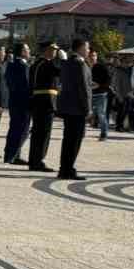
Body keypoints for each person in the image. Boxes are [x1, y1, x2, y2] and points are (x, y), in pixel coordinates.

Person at [56, 39, 93, 180]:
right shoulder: (80, 63)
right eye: (87, 47)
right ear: (81, 47)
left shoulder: (67, 63)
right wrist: (88, 108)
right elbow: (84, 88)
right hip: (77, 108)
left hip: (68, 107)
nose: (89, 50)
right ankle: (68, 169)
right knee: (75, 140)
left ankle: (64, 168)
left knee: (68, 140)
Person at [26, 40, 60, 172]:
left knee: (38, 133)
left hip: (40, 101)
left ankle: (34, 160)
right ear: (47, 50)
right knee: (43, 133)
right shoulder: (45, 64)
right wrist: (63, 59)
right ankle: (37, 161)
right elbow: (60, 71)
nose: (56, 52)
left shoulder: (38, 64)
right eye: (54, 50)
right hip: (45, 102)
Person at [2, 43, 31, 164]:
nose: (29, 51)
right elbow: (26, 85)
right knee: (22, 129)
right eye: (27, 49)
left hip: (14, 101)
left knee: (14, 128)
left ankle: (11, 154)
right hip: (23, 102)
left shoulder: (11, 64)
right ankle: (12, 155)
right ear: (23, 52)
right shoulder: (22, 66)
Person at [86, 48, 110, 142]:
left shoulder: (102, 67)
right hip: (88, 95)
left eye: (94, 56)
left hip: (101, 94)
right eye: (90, 56)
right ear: (87, 57)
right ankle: (81, 133)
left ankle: (104, 134)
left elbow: (108, 80)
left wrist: (99, 85)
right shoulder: (84, 67)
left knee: (101, 114)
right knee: (85, 114)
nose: (92, 58)